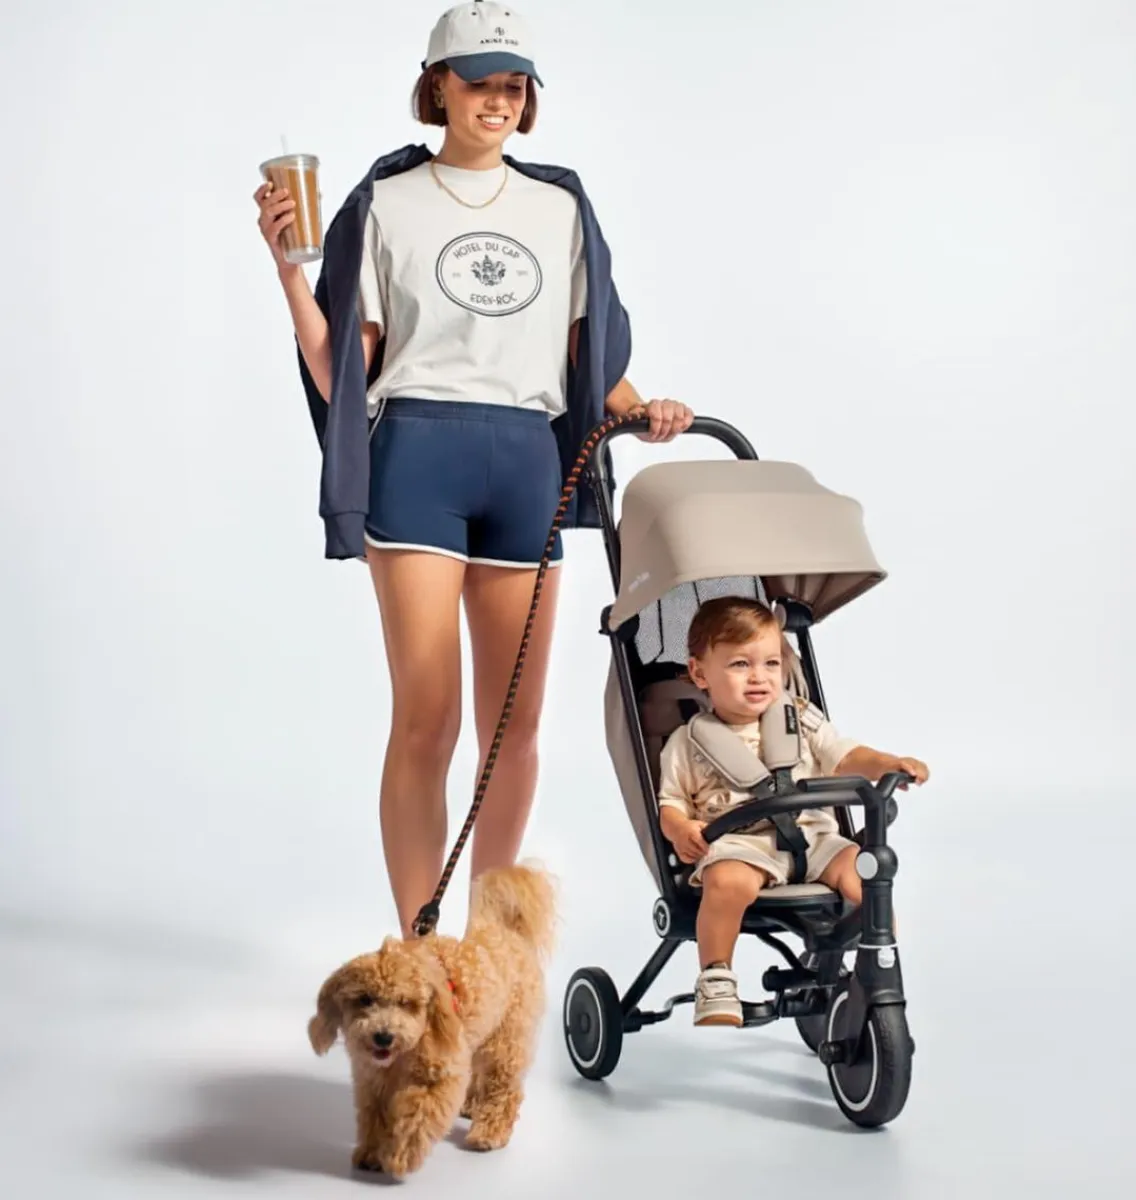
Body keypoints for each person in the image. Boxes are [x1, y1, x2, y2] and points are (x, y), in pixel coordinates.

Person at [253, 1, 694, 936]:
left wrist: (643, 408)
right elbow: (342, 375)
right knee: (429, 719)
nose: (498, 100)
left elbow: (587, 353)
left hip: (528, 463)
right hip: (417, 456)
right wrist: (290, 270)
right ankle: (420, 950)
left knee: (515, 729)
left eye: (514, 85)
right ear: (438, 86)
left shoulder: (560, 206)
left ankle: (488, 948)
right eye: (480, 81)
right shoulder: (386, 202)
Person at [657, 596, 929, 1026]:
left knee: (866, 874)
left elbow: (844, 756)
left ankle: (877, 959)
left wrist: (885, 763)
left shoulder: (800, 718)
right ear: (699, 673)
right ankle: (716, 976)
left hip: (814, 839)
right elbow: (670, 802)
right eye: (740, 664)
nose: (759, 676)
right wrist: (678, 829)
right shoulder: (687, 743)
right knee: (725, 882)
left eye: (771, 663)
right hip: (743, 846)